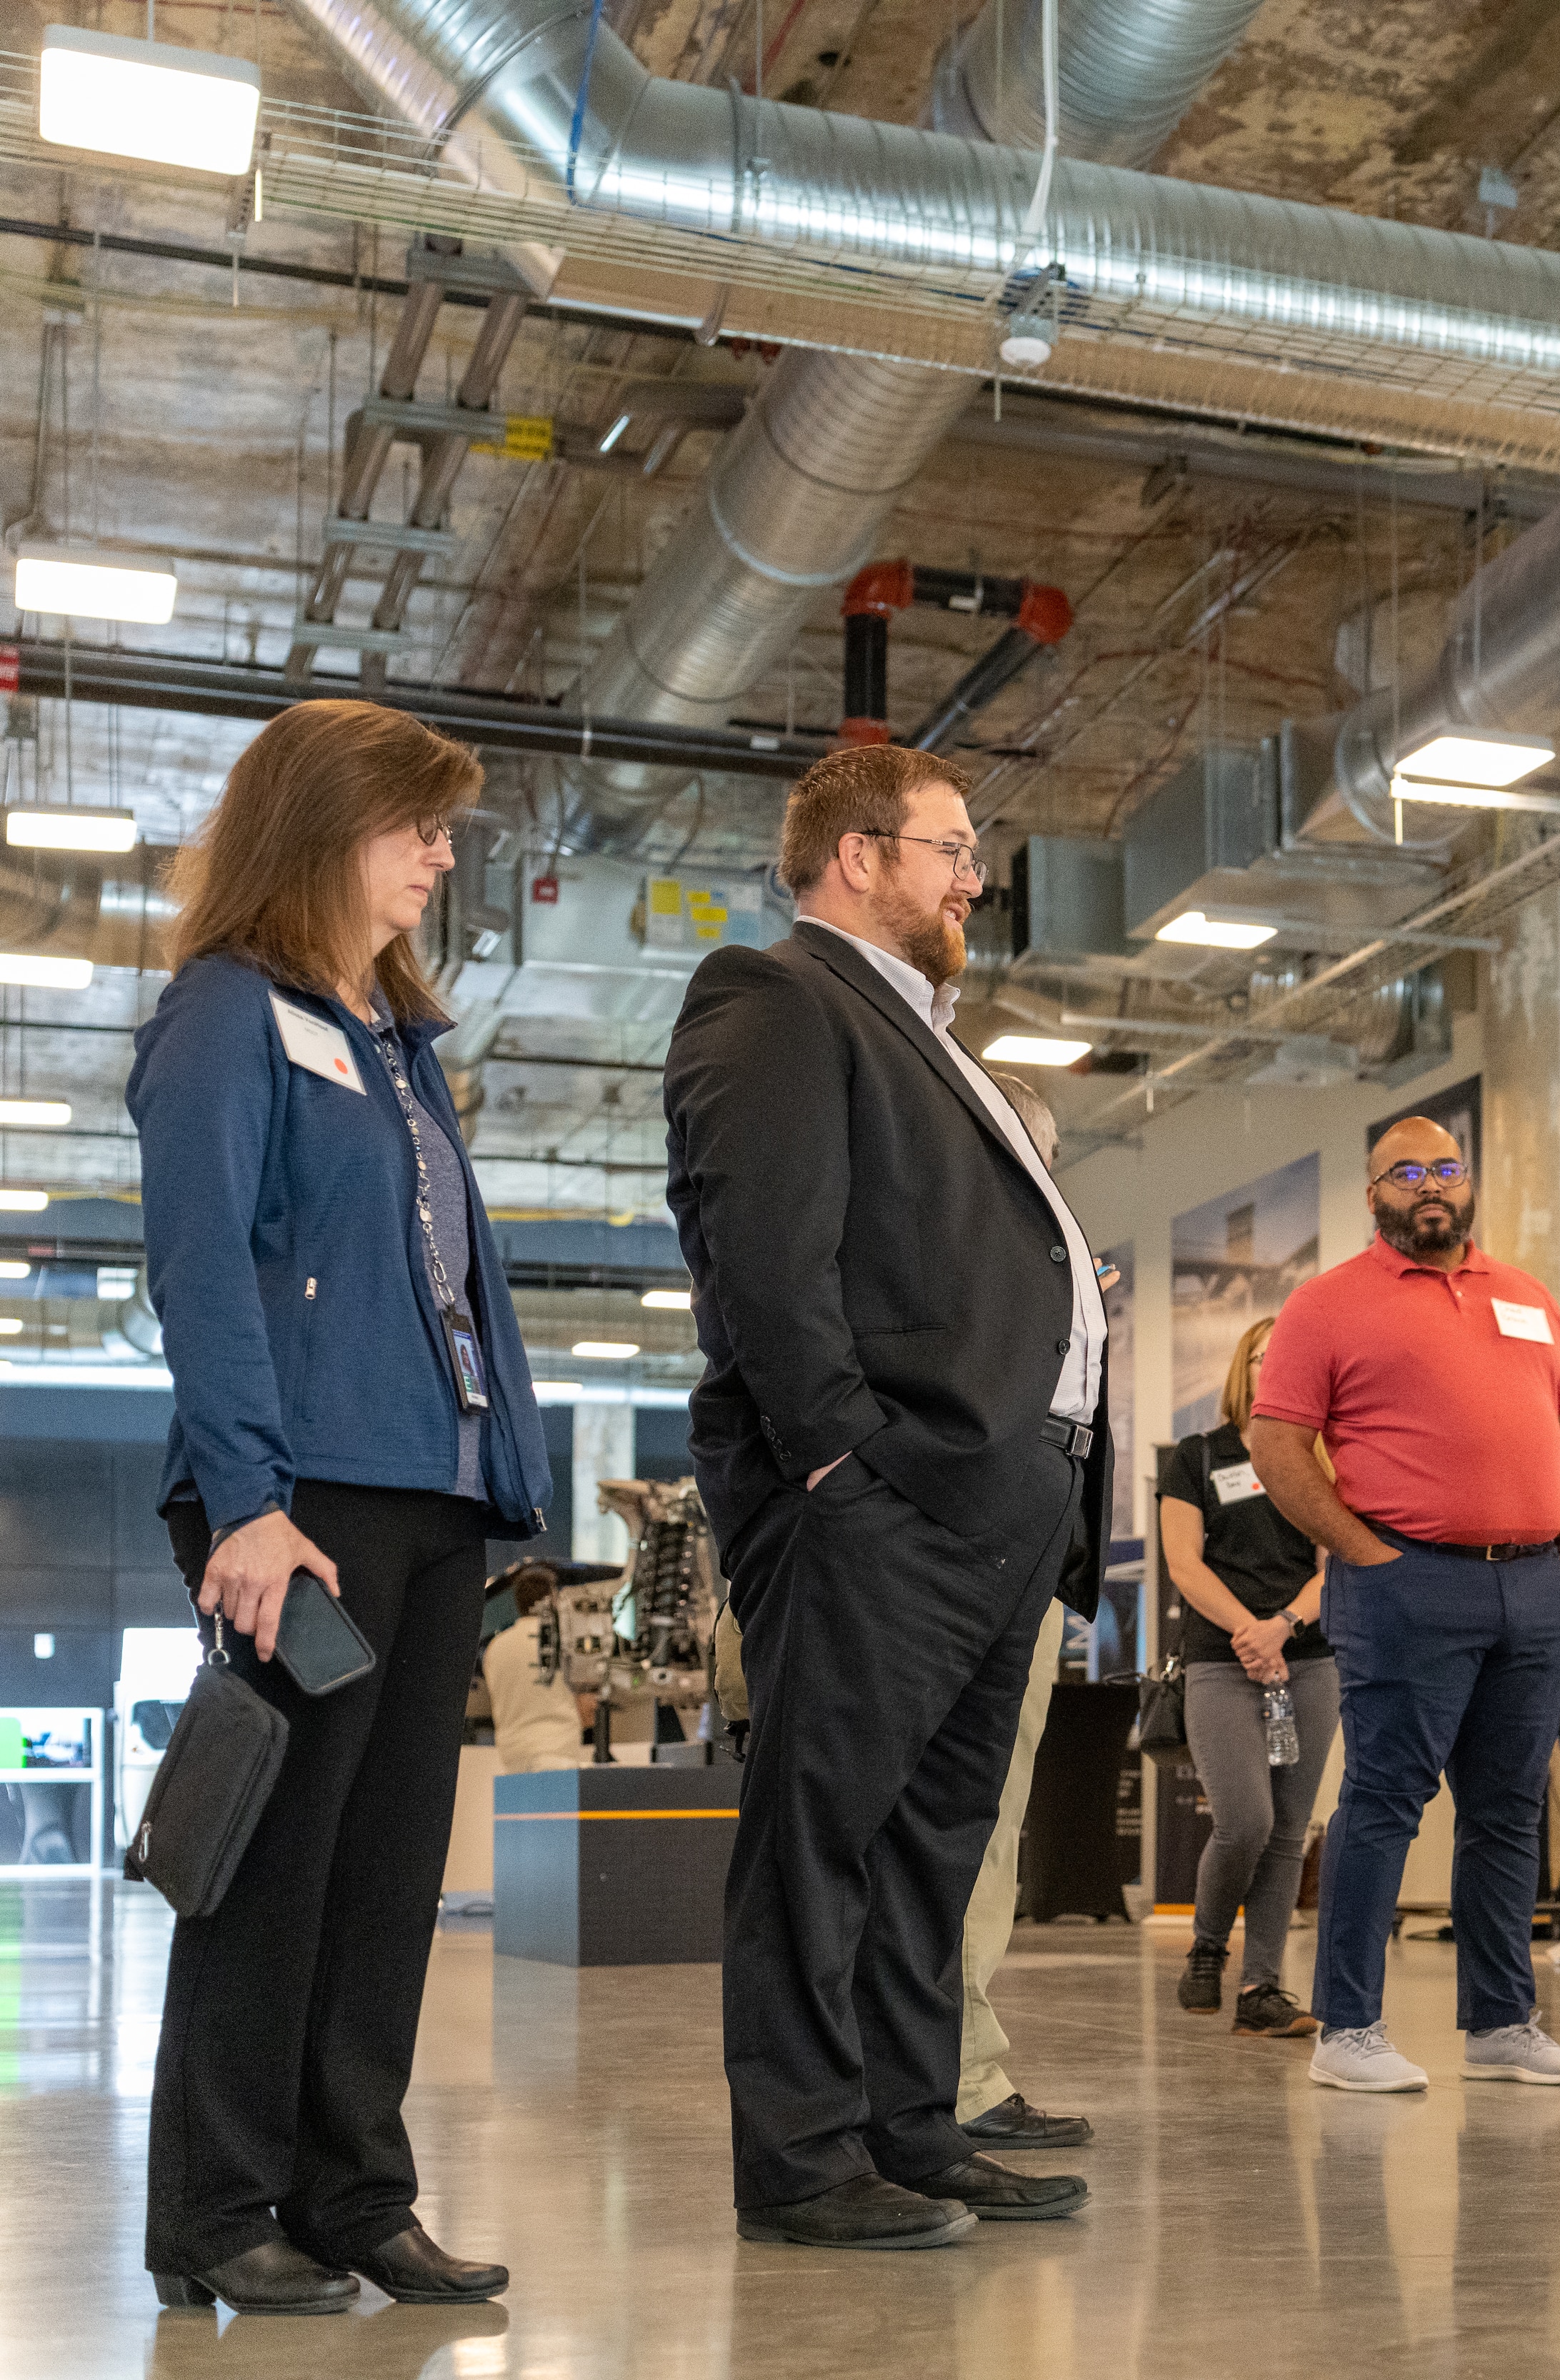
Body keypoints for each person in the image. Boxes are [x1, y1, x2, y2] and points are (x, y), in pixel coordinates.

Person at [127, 698, 555, 2313]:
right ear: (326, 828)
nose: (445, 859)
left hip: (431, 1498)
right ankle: (219, 2212)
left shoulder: (397, 1044)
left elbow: (453, 1292)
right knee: (278, 1863)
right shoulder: (229, 1015)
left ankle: (355, 2195)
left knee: (386, 1875)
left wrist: (501, 1489)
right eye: (421, 828)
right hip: (302, 1503)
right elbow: (204, 1270)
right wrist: (246, 1500)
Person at [664, 744, 1104, 2251]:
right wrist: (840, 1459)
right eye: (951, 847)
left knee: (932, 1840)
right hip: (884, 1498)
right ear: (857, 854)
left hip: (991, 1502)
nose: (974, 878)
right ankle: (799, 2155)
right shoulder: (776, 996)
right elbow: (763, 1257)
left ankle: (913, 2130)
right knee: (824, 1833)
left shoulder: (930, 1030)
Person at [1244, 1118, 1560, 2094]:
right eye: (1406, 1173)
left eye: (1445, 1167)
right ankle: (1348, 2027)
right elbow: (1277, 1447)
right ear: (1374, 1196)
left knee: (1508, 1806)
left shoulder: (1526, 1296)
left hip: (1535, 1584)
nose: (1429, 1184)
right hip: (1407, 1582)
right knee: (1385, 1799)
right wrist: (1365, 1551)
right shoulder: (1326, 1305)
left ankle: (1501, 2020)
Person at [951, 1070, 1102, 2154]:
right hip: (961, 1553)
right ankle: (948, 2078)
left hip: (1027, 1560)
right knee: (960, 1821)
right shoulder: (950, 1246)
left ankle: (954, 2066)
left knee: (990, 1821)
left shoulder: (1047, 1259)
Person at [1158, 1314, 1339, 2039]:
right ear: (1244, 1368)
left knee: (1290, 1829)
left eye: (1290, 1357)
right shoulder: (1198, 1456)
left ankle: (1262, 1987)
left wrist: (1283, 1627)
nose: (1277, 1367)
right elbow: (1182, 1562)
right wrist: (1248, 1631)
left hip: (1307, 1659)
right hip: (1220, 1662)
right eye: (1265, 1357)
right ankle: (1206, 1948)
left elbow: (1336, 1564)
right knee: (1247, 1820)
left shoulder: (1323, 1461)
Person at [482, 1566, 596, 1773]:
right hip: (557, 1750)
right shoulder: (564, 1640)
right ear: (552, 1599)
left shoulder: (495, 1648)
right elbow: (585, 1706)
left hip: (512, 1754)